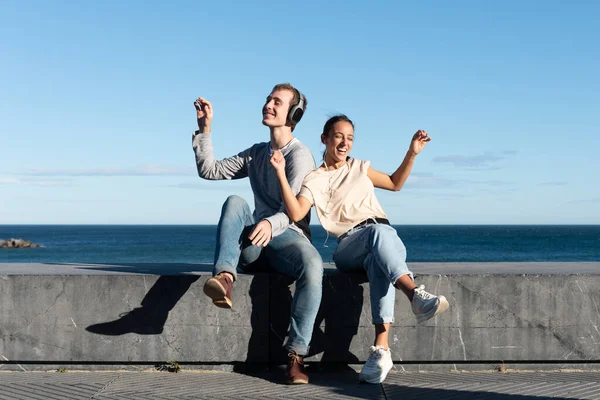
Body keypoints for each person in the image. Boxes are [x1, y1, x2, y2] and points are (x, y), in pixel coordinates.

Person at [269, 114, 449, 384]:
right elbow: (295, 212)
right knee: (378, 235)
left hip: (382, 237)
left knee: (380, 256)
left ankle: (381, 349)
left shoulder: (359, 167)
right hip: (349, 246)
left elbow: (394, 183)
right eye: (339, 136)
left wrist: (412, 153)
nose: (345, 143)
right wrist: (281, 173)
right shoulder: (315, 178)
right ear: (325, 139)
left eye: (350, 138)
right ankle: (414, 294)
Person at [192, 83, 323, 385]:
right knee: (235, 202)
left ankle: (296, 356)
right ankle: (225, 278)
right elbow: (210, 170)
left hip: (288, 238)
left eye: (277, 102)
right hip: (255, 245)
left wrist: (271, 224)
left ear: (293, 114)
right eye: (268, 100)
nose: (269, 105)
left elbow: (295, 209)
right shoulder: (255, 154)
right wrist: (204, 129)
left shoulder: (300, 155)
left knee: (313, 264)